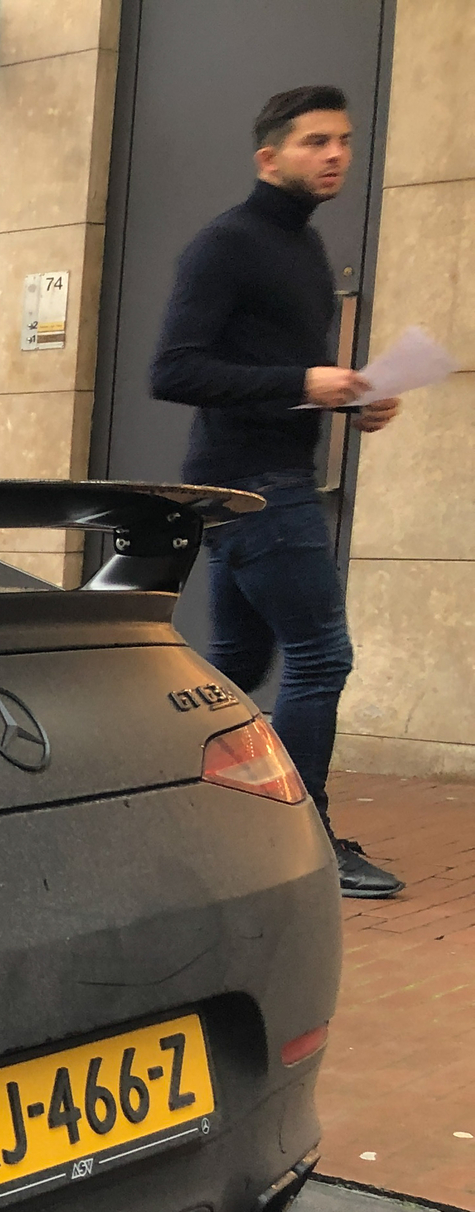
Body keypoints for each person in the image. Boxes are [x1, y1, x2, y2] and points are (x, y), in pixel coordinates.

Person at [151, 83, 403, 898]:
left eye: (343, 141)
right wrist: (303, 378)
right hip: (252, 486)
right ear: (270, 157)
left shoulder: (305, 248)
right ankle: (306, 838)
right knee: (323, 654)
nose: (335, 155)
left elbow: (278, 378)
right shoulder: (225, 244)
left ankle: (174, 810)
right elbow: (174, 370)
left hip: (267, 476)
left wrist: (348, 401)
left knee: (235, 663)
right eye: (315, 142)